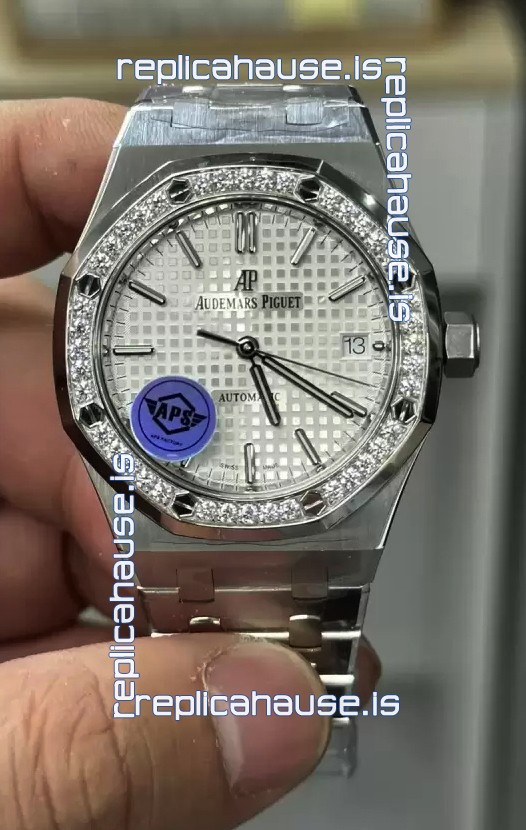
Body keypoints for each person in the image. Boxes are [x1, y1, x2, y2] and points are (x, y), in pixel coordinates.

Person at [0, 97, 381, 830]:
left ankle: (295, 704)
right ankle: (299, 709)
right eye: (242, 343)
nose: (248, 346)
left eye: (253, 346)